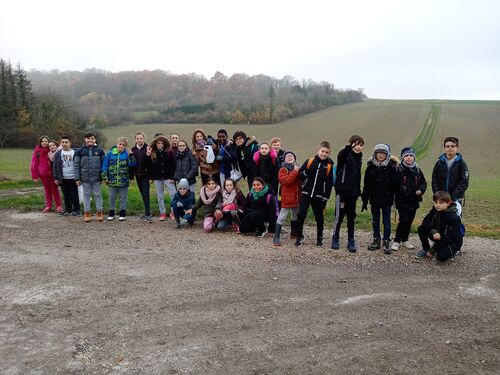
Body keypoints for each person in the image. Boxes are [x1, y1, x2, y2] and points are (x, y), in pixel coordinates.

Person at [295, 141, 334, 247]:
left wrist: (326, 198)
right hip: (306, 193)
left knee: (319, 217)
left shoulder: (329, 166)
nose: (324, 154)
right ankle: (299, 236)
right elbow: (299, 175)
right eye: (322, 151)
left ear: (329, 153)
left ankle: (319, 237)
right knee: (300, 214)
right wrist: (307, 172)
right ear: (318, 151)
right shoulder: (310, 161)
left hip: (319, 196)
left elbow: (329, 184)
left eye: (327, 152)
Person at [361, 144, 399, 254]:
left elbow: (395, 185)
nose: (381, 155)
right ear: (375, 154)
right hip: (374, 199)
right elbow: (366, 184)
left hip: (387, 199)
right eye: (379, 153)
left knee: (386, 220)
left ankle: (386, 240)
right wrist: (364, 199)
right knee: (375, 220)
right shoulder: (370, 167)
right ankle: (376, 239)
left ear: (387, 155)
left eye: (383, 153)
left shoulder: (392, 167)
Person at [331, 135, 364, 252]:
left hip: (353, 193)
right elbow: (342, 155)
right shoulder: (344, 154)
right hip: (342, 192)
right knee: (339, 216)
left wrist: (358, 190)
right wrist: (349, 147)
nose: (358, 147)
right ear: (351, 144)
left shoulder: (359, 158)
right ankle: (335, 238)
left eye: (360, 145)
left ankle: (351, 240)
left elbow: (357, 176)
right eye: (356, 144)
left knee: (351, 217)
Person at [392, 147, 427, 251]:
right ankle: (397, 241)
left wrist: (421, 190)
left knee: (409, 221)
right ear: (402, 158)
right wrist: (401, 190)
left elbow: (423, 183)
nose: (408, 158)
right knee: (403, 220)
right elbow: (394, 184)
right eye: (406, 156)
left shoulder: (417, 170)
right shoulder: (398, 169)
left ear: (414, 158)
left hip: (414, 200)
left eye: (411, 156)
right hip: (402, 200)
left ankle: (405, 239)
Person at [415, 191, 463, 261]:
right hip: (440, 235)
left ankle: (455, 251)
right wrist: (433, 231)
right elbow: (426, 221)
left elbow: (448, 238)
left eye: (441, 203)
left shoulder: (453, 217)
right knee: (421, 228)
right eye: (435, 202)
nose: (437, 205)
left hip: (452, 241)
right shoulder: (435, 209)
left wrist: (433, 249)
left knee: (441, 257)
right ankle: (426, 249)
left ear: (448, 203)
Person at [102, 137, 137, 221]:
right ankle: (111, 212)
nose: (121, 146)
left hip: (123, 180)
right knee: (112, 197)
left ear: (125, 146)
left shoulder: (127, 154)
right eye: (120, 144)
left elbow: (133, 164)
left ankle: (122, 213)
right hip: (112, 180)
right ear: (116, 144)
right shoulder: (110, 153)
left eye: (123, 145)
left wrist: (131, 155)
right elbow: (104, 166)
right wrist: (104, 177)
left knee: (123, 198)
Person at [74, 132, 105, 222]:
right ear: (85, 140)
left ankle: (99, 211)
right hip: (85, 178)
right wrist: (77, 178)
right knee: (86, 195)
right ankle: (87, 212)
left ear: (95, 140)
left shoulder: (100, 150)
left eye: (92, 138)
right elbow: (76, 165)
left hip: (97, 178)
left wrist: (103, 177)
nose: (90, 140)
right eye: (88, 138)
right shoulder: (79, 151)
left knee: (97, 194)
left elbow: (104, 165)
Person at [431, 136, 469, 207]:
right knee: (439, 217)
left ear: (457, 148)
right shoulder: (439, 163)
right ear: (444, 148)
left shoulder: (461, 164)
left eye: (453, 146)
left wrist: (452, 198)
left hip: (456, 200)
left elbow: (464, 182)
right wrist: (438, 195)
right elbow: (434, 180)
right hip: (440, 200)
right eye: (447, 146)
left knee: (453, 218)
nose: (450, 148)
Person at [274, 150, 301, 246]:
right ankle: (276, 237)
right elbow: (286, 181)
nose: (290, 157)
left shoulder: (297, 168)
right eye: (288, 156)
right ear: (284, 159)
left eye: (292, 156)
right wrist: (295, 171)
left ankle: (293, 233)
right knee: (282, 216)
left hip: (296, 197)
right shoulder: (283, 169)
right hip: (287, 197)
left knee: (295, 215)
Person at [30, 136, 63, 213]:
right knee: (47, 191)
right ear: (40, 143)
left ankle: (58, 206)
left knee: (55, 190)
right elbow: (34, 164)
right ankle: (48, 206)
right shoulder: (37, 151)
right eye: (42, 141)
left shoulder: (51, 149)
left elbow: (59, 149)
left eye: (46, 141)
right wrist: (34, 176)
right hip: (43, 174)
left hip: (52, 174)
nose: (44, 143)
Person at [149, 134, 177, 221]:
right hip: (157, 178)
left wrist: (173, 177)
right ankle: (162, 213)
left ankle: (173, 212)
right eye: (158, 143)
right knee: (160, 196)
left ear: (165, 144)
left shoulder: (169, 153)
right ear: (155, 144)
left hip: (168, 177)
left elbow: (173, 165)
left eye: (162, 143)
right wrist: (151, 178)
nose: (160, 145)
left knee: (173, 194)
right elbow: (150, 166)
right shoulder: (153, 153)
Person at [52, 135, 81, 216]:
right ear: (60, 143)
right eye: (63, 142)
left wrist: (78, 178)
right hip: (63, 178)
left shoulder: (75, 153)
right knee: (66, 195)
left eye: (66, 142)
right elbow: (55, 167)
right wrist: (56, 178)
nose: (64, 144)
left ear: (70, 143)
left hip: (73, 177)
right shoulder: (58, 154)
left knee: (74, 194)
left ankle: (77, 209)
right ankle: (68, 209)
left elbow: (79, 165)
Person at [129, 131, 152, 223]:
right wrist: (131, 177)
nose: (139, 140)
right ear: (135, 139)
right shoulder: (132, 150)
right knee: (143, 194)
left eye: (141, 138)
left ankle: (148, 215)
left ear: (144, 139)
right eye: (137, 138)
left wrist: (148, 156)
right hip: (137, 175)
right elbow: (131, 165)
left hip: (146, 175)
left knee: (146, 194)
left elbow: (150, 164)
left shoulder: (148, 148)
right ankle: (147, 211)